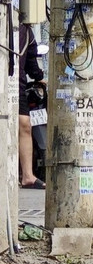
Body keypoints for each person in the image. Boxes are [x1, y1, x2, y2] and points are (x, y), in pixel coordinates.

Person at [18, 24, 45, 189]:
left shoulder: (25, 29)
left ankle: (28, 175)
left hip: (16, 83)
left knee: (25, 124)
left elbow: (30, 60)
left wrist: (39, 77)